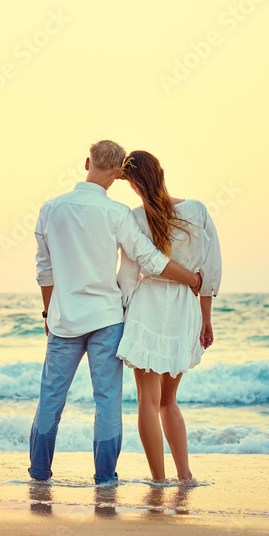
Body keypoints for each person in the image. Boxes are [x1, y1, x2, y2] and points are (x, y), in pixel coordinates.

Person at [30, 140, 203, 485]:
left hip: (63, 320)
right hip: (107, 320)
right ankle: (105, 480)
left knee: (50, 399)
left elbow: (44, 270)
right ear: (117, 175)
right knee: (107, 403)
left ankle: (39, 477)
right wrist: (192, 280)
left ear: (87, 163)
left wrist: (49, 312)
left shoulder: (51, 208)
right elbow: (149, 261)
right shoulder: (117, 213)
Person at [115, 150, 222, 484]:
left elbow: (129, 276)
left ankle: (159, 480)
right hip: (184, 308)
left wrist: (121, 313)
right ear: (161, 172)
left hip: (148, 306)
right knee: (169, 401)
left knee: (148, 400)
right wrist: (206, 319)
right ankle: (185, 476)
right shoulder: (197, 210)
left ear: (132, 184)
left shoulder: (134, 217)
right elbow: (211, 270)